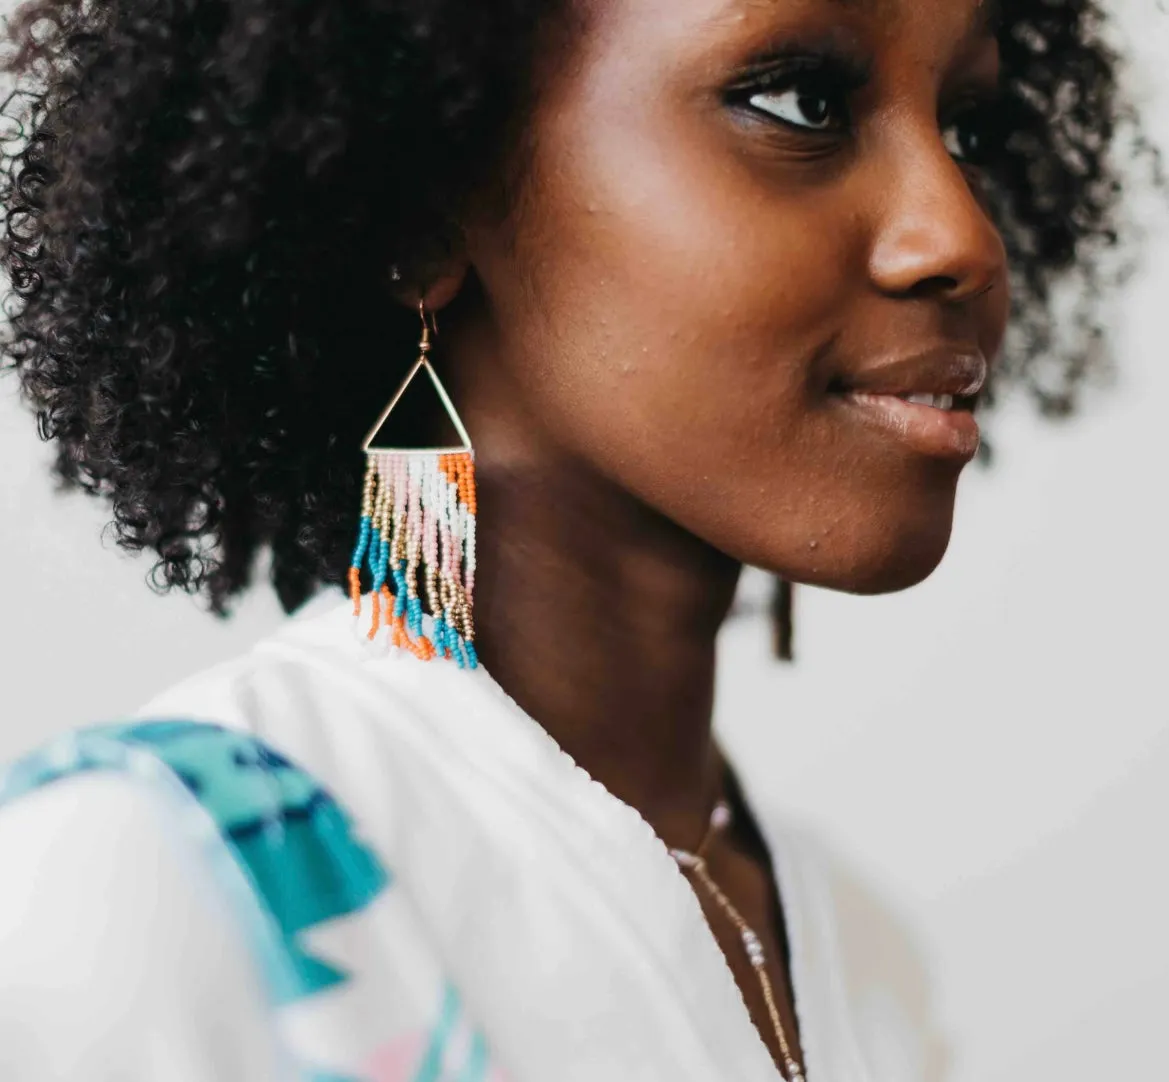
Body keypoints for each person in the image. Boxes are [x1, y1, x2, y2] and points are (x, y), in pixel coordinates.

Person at [0, 0, 1146, 1079]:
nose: (957, 234)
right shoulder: (145, 879)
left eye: (964, 126)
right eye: (799, 101)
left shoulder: (863, 950)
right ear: (422, 207)